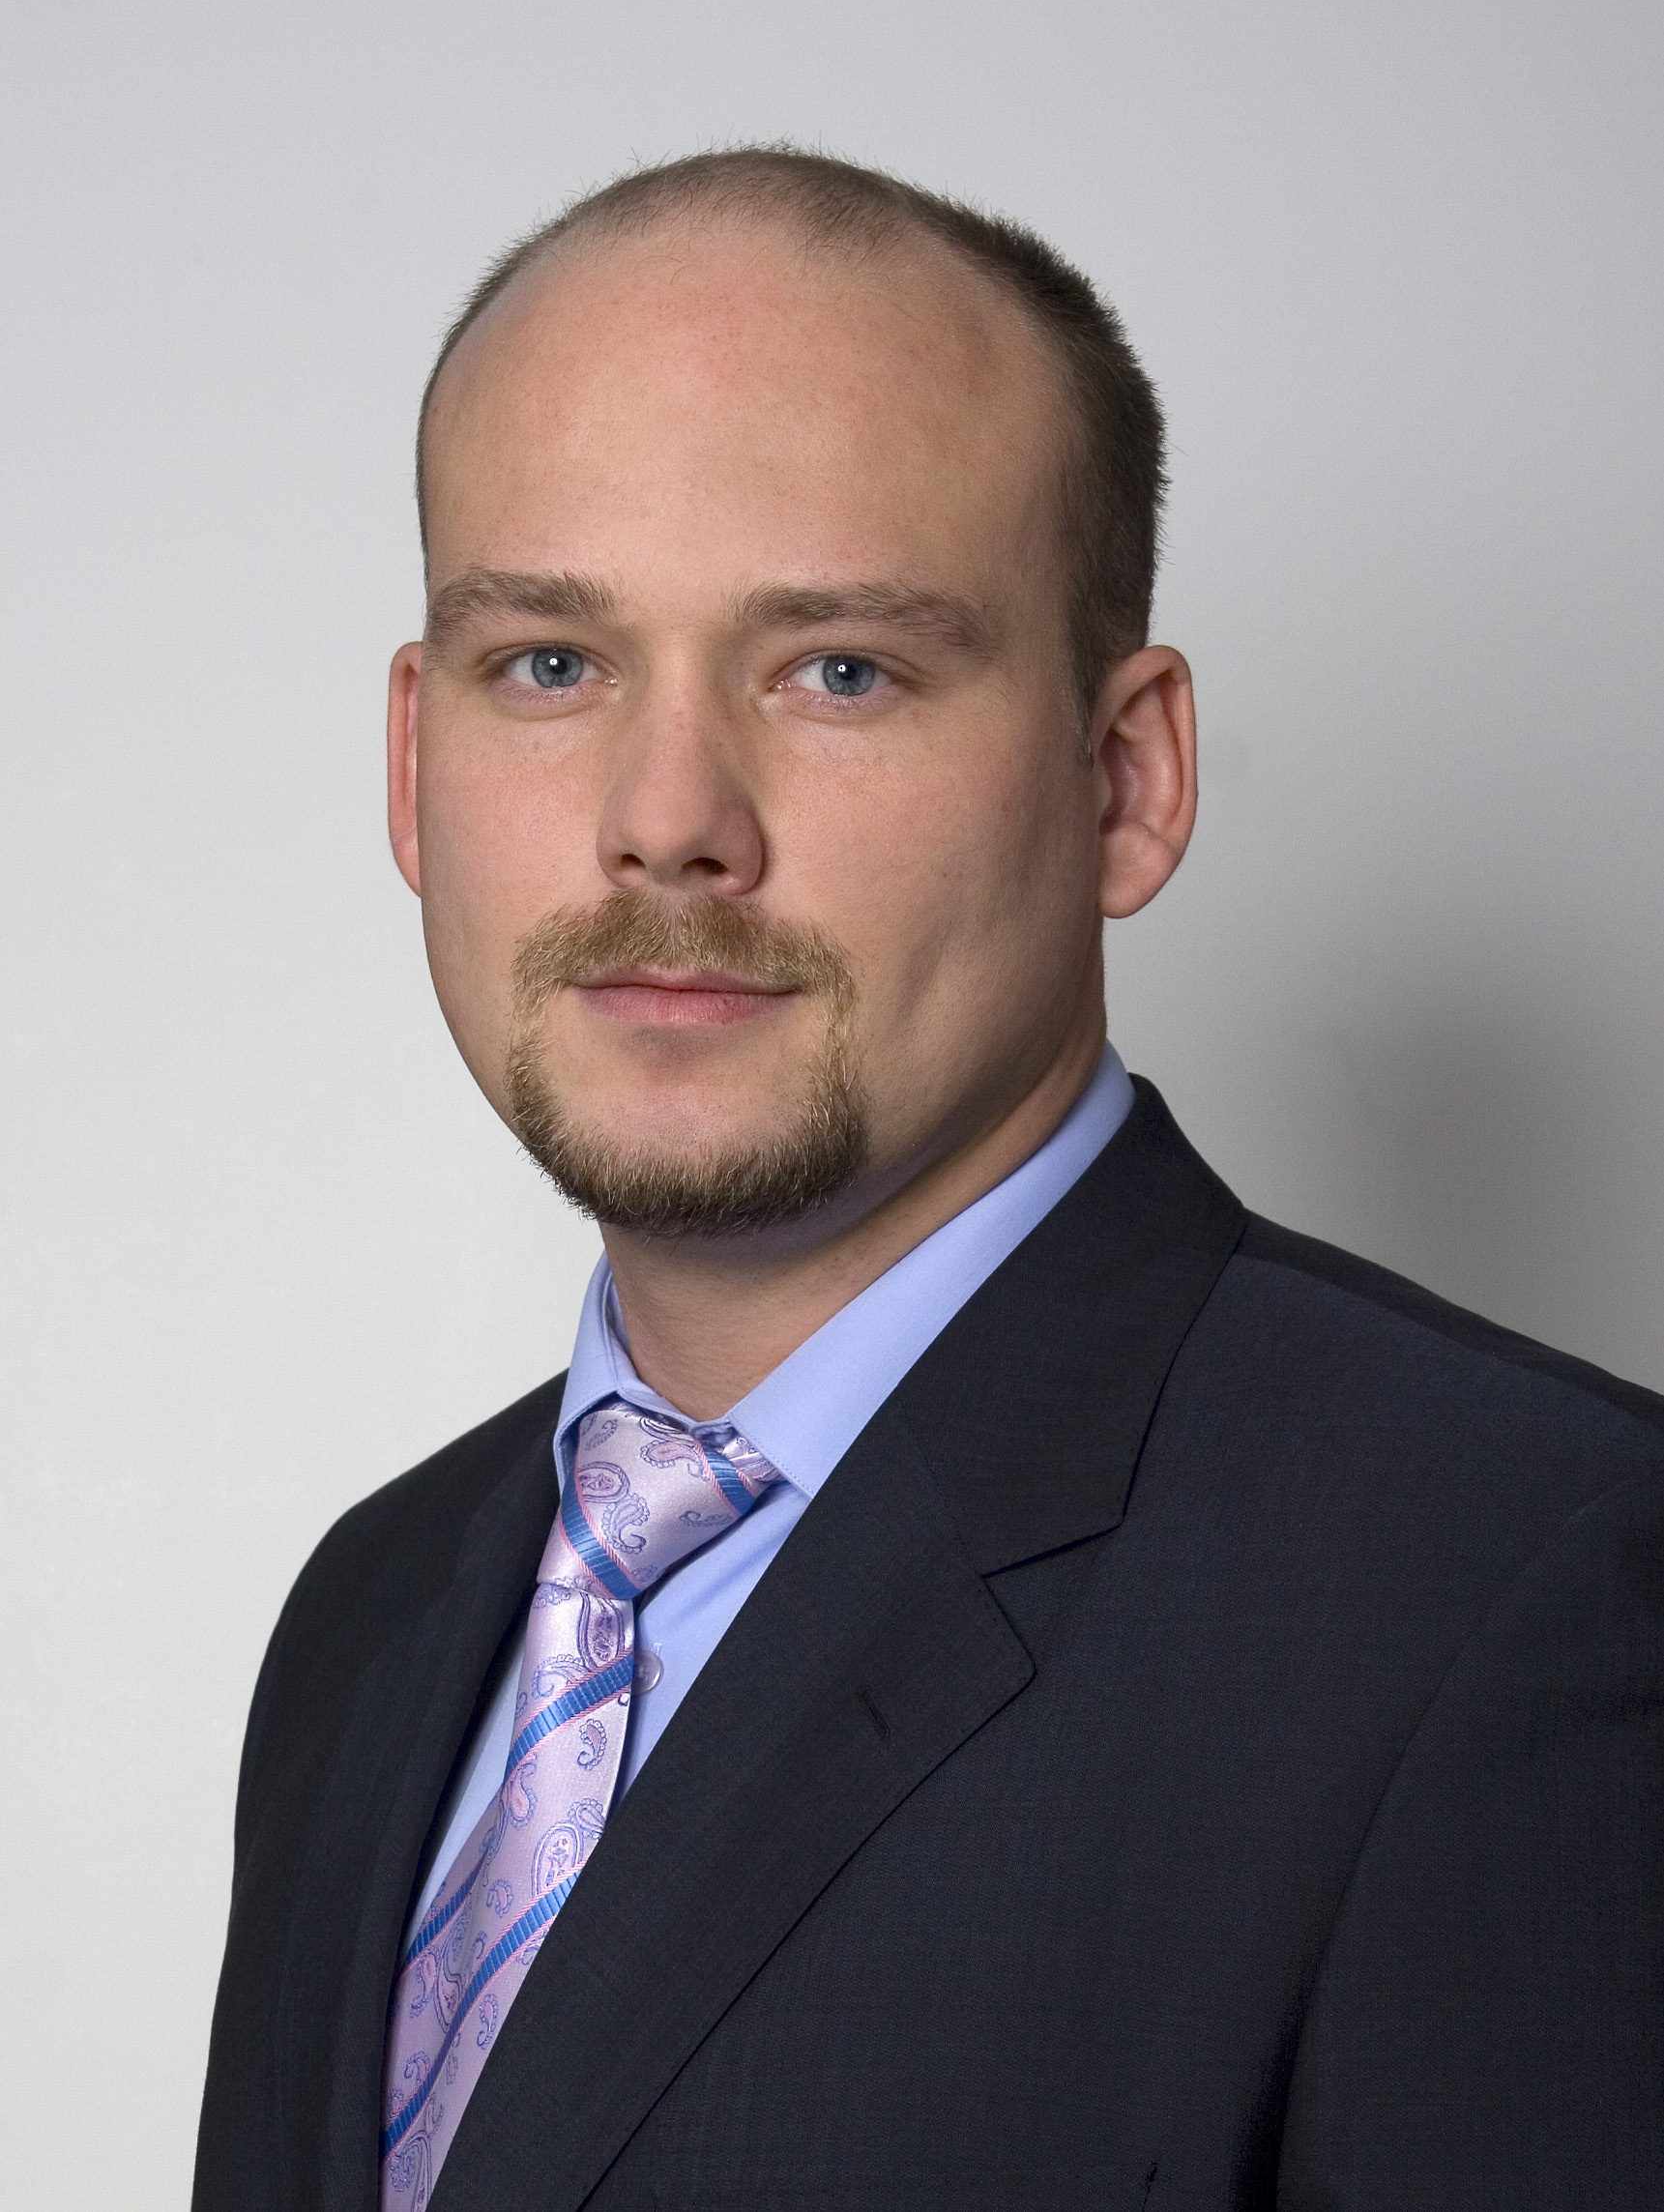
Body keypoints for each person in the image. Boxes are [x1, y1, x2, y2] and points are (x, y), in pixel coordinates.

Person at [192, 148, 1664, 2212]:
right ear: (412, 765)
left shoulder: (1527, 1588)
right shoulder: (376, 1609)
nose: (666, 822)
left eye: (841, 669)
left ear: (1124, 779)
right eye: (550, 663)